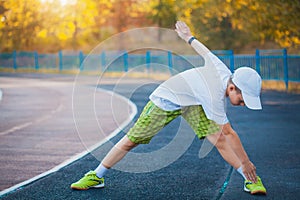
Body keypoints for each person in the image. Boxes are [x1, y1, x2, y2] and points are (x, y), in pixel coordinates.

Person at [70, 21, 267, 195]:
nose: (242, 104)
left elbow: (203, 50)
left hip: (193, 102)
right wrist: (247, 161)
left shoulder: (223, 70)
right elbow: (230, 132)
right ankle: (97, 176)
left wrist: (188, 37)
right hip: (167, 99)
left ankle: (250, 179)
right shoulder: (215, 95)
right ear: (232, 87)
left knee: (219, 140)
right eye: (242, 100)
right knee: (132, 140)